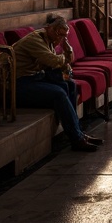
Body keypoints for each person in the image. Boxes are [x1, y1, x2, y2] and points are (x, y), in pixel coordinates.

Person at [12, 14, 103, 152]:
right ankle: (76, 138)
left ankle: (78, 132)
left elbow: (62, 64)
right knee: (59, 93)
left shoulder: (48, 40)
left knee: (71, 85)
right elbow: (54, 61)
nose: (60, 39)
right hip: (18, 84)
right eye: (59, 35)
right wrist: (67, 52)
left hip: (34, 78)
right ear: (50, 29)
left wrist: (66, 56)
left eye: (63, 36)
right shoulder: (35, 40)